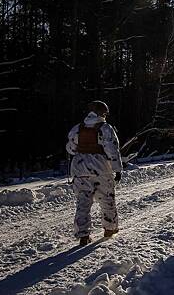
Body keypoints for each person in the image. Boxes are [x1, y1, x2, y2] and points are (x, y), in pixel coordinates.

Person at [66, 100, 122, 246]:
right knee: (107, 199)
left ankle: (83, 235)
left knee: (83, 203)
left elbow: (70, 149)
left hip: (80, 169)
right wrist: (117, 169)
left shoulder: (77, 128)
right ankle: (110, 229)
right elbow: (112, 150)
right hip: (101, 169)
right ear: (102, 113)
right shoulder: (105, 128)